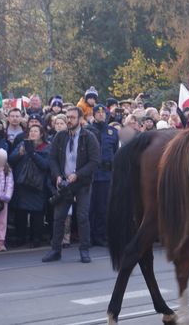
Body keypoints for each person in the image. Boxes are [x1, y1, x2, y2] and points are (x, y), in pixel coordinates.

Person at [42, 106, 100, 264]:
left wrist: (78, 174)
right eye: (67, 117)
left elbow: (95, 161)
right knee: (59, 217)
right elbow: (52, 158)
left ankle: (84, 250)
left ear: (80, 119)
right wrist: (58, 176)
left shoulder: (89, 137)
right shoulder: (60, 136)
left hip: (82, 183)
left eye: (72, 117)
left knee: (82, 216)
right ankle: (55, 250)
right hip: (64, 184)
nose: (69, 120)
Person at [9, 125, 51, 248]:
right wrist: (19, 154)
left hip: (37, 185)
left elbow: (45, 165)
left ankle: (36, 238)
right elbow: (11, 159)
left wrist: (32, 153)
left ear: (41, 134)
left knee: (37, 213)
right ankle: (20, 237)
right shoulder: (22, 144)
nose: (33, 133)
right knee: (20, 212)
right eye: (31, 131)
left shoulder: (47, 147)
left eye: (35, 131)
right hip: (22, 183)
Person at [86, 104, 118, 247]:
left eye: (103, 113)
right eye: (97, 113)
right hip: (90, 174)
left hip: (106, 175)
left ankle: (100, 235)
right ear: (93, 115)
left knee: (103, 207)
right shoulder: (87, 130)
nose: (100, 115)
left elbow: (116, 152)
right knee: (89, 207)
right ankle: (89, 236)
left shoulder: (112, 131)